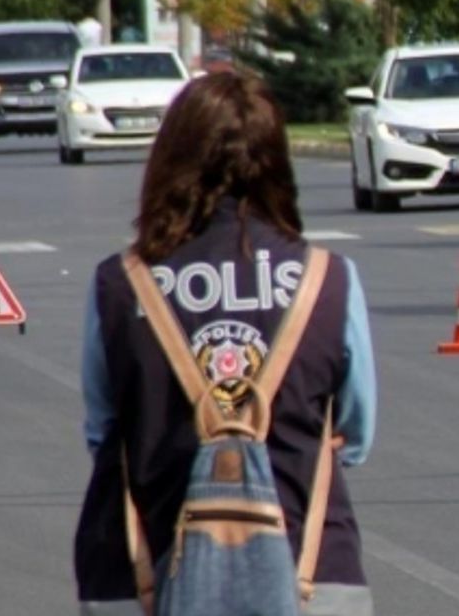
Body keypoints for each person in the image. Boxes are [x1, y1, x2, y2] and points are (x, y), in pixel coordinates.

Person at [74, 72, 377, 615]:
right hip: (309, 570)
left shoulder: (119, 285)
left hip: (140, 569)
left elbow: (102, 430)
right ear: (277, 162)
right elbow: (356, 432)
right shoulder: (328, 280)